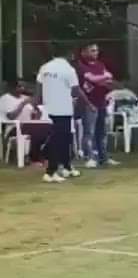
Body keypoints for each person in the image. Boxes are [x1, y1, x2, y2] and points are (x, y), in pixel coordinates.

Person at [36, 46, 90, 183]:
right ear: (69, 54)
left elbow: (39, 87)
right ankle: (51, 172)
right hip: (63, 110)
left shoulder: (45, 67)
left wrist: (37, 105)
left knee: (64, 139)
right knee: (60, 140)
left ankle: (67, 167)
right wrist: (83, 102)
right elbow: (75, 90)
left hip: (49, 109)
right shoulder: (68, 70)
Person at [77, 43, 118, 168]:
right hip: (89, 103)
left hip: (101, 102)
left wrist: (100, 79)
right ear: (84, 52)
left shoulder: (100, 65)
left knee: (102, 132)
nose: (96, 53)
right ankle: (89, 157)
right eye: (92, 50)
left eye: (96, 50)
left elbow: (108, 80)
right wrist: (103, 78)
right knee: (89, 131)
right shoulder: (81, 66)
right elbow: (92, 79)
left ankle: (103, 157)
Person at [1, 80, 52, 166]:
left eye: (24, 86)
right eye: (20, 86)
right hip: (14, 128)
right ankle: (34, 159)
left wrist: (37, 113)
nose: (23, 89)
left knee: (50, 129)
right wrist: (22, 104)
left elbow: (36, 115)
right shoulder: (5, 99)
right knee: (37, 129)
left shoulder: (25, 97)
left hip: (29, 126)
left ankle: (43, 156)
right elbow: (11, 117)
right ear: (12, 88)